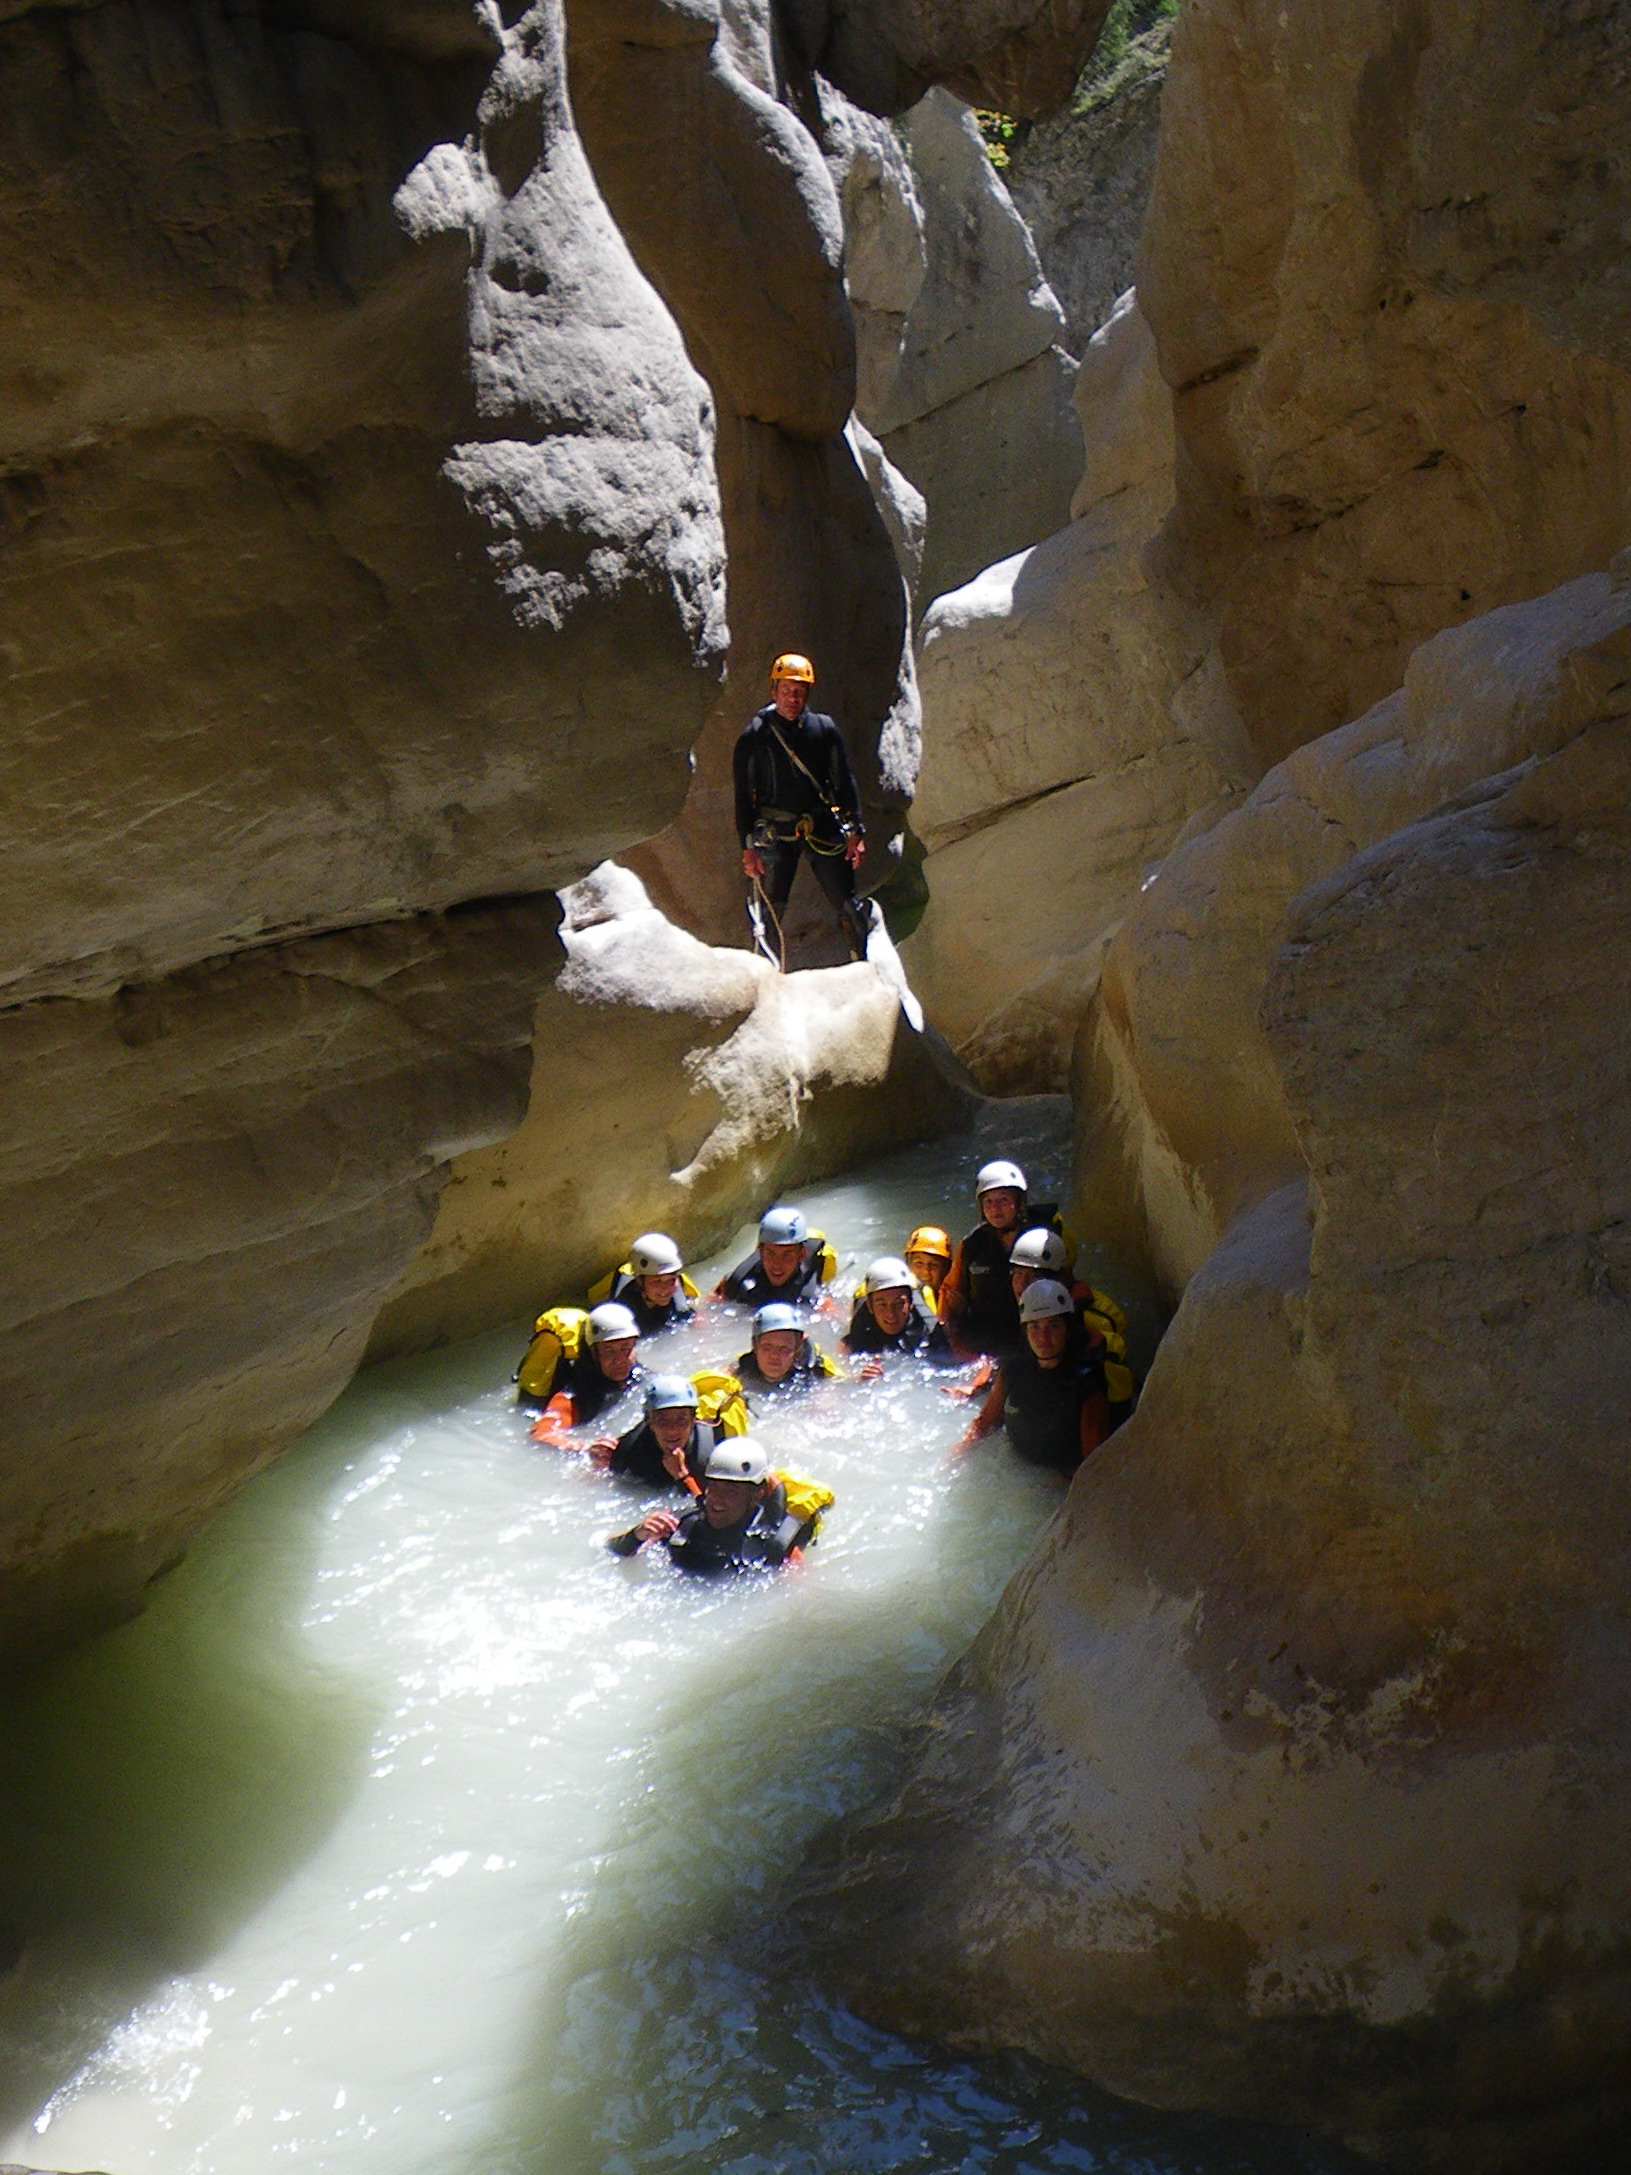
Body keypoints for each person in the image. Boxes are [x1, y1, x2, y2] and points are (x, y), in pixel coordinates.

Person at [734, 652, 869, 962]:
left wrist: (856, 830)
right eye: (786, 690)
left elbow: (844, 781)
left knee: (849, 905)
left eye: (798, 691)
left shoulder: (824, 729)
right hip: (775, 832)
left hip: (820, 825)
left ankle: (862, 964)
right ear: (774, 691)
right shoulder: (754, 735)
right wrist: (747, 847)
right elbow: (743, 795)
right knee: (770, 913)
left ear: (807, 694)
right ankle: (766, 973)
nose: (792, 698)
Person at [955, 1280, 1111, 1474]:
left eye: (1053, 1326)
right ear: (1025, 1331)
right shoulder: (1013, 1369)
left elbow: (1093, 1465)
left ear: (1068, 1330)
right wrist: (959, 1454)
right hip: (1015, 1469)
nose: (1043, 1337)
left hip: (1058, 1478)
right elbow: (985, 1423)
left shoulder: (1086, 1384)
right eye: (1035, 1327)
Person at [606, 1438, 819, 1572]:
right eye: (713, 1487)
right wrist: (637, 1534)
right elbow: (613, 1548)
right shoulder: (683, 1524)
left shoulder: (774, 1545)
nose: (716, 1498)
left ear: (756, 1496)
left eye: (731, 1491)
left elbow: (797, 1597)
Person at [938, 1160, 1070, 1359]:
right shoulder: (972, 1245)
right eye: (988, 1202)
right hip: (986, 1340)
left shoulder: (1044, 1239)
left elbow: (1065, 1288)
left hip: (1033, 1335)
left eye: (1003, 1199)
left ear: (1019, 1202)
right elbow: (951, 1297)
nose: (995, 1209)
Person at [524, 1301, 641, 1437]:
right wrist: (584, 1447)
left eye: (625, 1349)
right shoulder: (573, 1394)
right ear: (593, 1352)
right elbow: (541, 1434)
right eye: (609, 1351)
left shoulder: (636, 1372)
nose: (619, 1360)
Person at [590, 1374, 716, 1490]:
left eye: (681, 1419)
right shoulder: (630, 1450)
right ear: (649, 1422)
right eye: (662, 1421)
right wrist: (599, 1464)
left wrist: (682, 1475)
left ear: (693, 1420)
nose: (672, 1430)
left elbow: (706, 1504)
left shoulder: (708, 1456)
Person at [842, 1256, 952, 1371]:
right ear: (870, 1307)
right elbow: (844, 1351)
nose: (891, 1314)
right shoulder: (861, 1325)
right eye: (882, 1304)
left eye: (899, 1303)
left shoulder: (929, 1328)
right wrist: (857, 1377)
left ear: (911, 1303)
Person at [715, 1206, 835, 1308]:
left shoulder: (814, 1297)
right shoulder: (738, 1280)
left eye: (787, 1255)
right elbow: (711, 1302)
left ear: (801, 1255)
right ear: (760, 1251)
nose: (777, 1264)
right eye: (770, 1254)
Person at [587, 1232, 698, 1334]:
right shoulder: (625, 1308)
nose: (665, 1289)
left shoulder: (678, 1290)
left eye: (671, 1279)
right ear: (639, 1281)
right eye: (657, 1281)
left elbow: (690, 1317)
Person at [735, 1302, 839, 1396]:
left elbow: (838, 1390)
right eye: (767, 1347)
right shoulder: (741, 1366)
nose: (774, 1356)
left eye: (784, 1349)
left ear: (797, 1349)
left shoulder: (818, 1370)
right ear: (755, 1346)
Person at [903, 1226, 953, 1309]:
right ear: (908, 1265)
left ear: (946, 1269)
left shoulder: (956, 1305)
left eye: (934, 1264)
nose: (926, 1271)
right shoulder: (894, 1301)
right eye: (919, 1263)